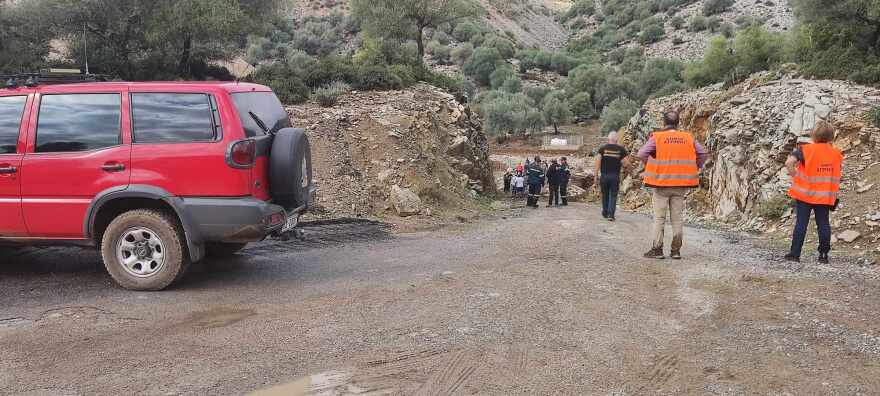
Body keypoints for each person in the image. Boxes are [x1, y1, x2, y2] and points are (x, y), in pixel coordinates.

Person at [637, 111, 709, 260]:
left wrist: (651, 164)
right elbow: (702, 154)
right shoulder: (688, 137)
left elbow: (642, 153)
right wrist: (694, 167)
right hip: (680, 184)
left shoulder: (657, 137)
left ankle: (657, 250)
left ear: (664, 123)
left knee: (659, 217)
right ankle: (676, 251)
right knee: (677, 218)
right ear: (678, 123)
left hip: (661, 183)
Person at [784, 121, 842, 264]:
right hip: (824, 196)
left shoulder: (805, 150)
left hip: (805, 194)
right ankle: (823, 255)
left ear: (814, 134)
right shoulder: (836, 153)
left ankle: (795, 254)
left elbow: (789, 163)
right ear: (831, 136)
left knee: (801, 223)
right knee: (823, 224)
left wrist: (795, 176)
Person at [594, 132, 629, 221]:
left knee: (605, 194)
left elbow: (598, 162)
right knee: (613, 195)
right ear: (617, 140)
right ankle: (611, 215)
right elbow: (625, 163)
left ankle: (605, 212)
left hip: (604, 176)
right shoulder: (621, 149)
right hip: (615, 176)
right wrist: (631, 170)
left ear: (608, 139)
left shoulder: (602, 149)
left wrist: (595, 175)